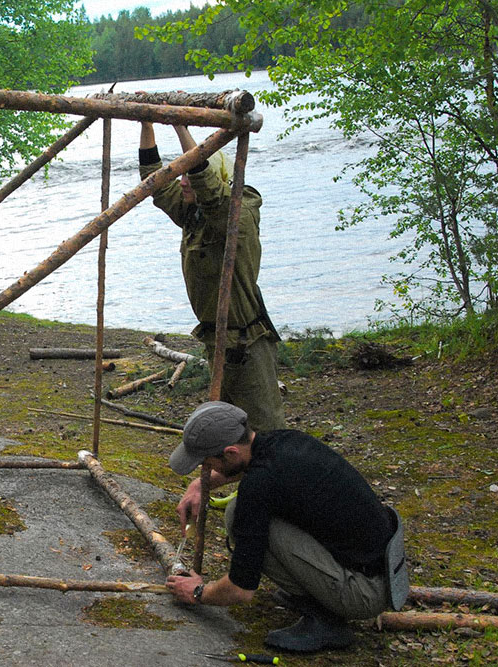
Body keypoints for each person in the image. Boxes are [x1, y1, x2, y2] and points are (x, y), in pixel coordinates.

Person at [165, 401, 408, 652]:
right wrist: (200, 486)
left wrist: (198, 592)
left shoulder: (258, 486)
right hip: (381, 568)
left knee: (241, 517)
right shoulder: (282, 441)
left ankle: (327, 619)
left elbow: (241, 590)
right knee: (239, 511)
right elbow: (246, 468)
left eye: (207, 463)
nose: (206, 469)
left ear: (230, 452)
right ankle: (317, 594)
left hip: (363, 591)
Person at [139, 122, 284, 432]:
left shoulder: (237, 216)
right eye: (182, 173)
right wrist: (147, 123)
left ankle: (283, 479)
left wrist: (180, 126)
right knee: (230, 430)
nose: (182, 181)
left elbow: (209, 188)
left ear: (217, 178)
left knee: (265, 430)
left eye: (188, 174)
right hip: (216, 340)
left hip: (246, 345)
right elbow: (155, 183)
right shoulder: (194, 214)